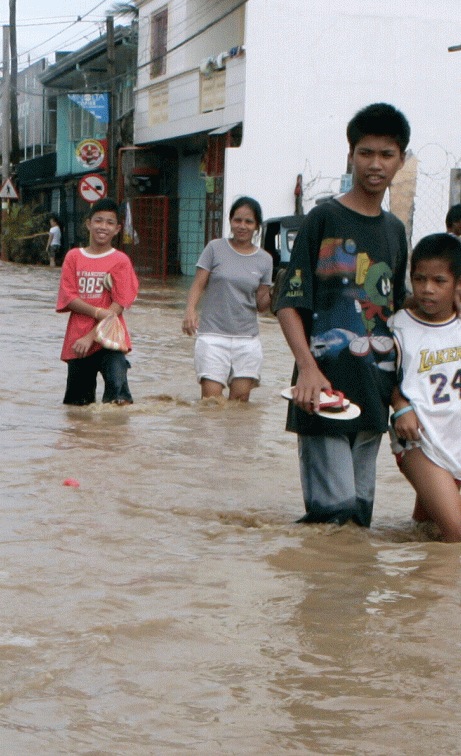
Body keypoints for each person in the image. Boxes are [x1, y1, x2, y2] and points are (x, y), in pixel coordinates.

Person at [275, 103, 412, 527]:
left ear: (400, 160)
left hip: (374, 392)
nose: (376, 164)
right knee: (332, 519)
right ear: (350, 154)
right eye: (366, 153)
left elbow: (397, 313)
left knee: (359, 520)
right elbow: (288, 303)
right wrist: (307, 370)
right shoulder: (323, 218)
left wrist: (399, 396)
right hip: (324, 393)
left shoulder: (395, 231)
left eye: (387, 155)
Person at [389, 234, 461, 543]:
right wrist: (400, 406)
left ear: (459, 282)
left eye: (439, 281)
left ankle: (421, 587)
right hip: (418, 438)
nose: (427, 289)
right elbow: (384, 377)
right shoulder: (397, 326)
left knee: (428, 529)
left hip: (458, 434)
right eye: (419, 279)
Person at [183, 196, 274, 401]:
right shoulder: (215, 248)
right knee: (211, 402)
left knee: (240, 404)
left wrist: (277, 292)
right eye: (237, 220)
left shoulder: (265, 260)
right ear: (231, 221)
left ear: (257, 226)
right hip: (212, 337)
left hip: (247, 340)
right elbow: (198, 284)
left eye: (249, 221)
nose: (242, 226)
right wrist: (190, 310)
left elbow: (261, 305)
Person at [58, 198, 139, 406]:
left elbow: (118, 306)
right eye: (99, 221)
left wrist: (90, 337)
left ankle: (116, 439)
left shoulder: (121, 260)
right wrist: (96, 312)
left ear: (118, 229)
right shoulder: (73, 257)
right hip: (78, 342)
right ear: (88, 223)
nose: (104, 227)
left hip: (110, 339)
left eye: (110, 223)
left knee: (119, 400)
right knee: (77, 406)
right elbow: (69, 297)